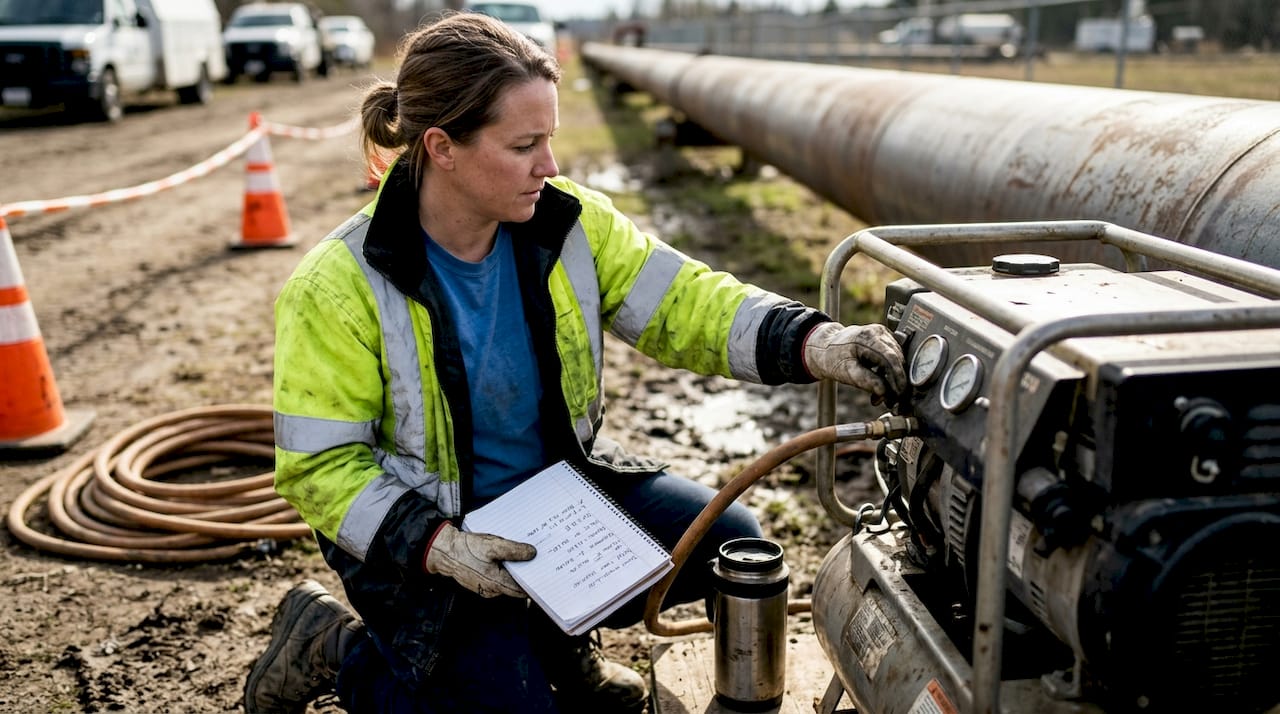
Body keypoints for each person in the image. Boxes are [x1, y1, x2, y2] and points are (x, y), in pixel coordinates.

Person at [243, 10, 906, 714]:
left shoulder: (565, 225)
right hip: (423, 535)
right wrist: (439, 545)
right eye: (525, 144)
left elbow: (688, 303)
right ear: (441, 147)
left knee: (733, 547)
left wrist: (811, 341)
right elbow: (319, 467)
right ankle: (336, 647)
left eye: (550, 139)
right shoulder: (337, 286)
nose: (550, 165)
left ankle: (556, 642)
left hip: (555, 498)